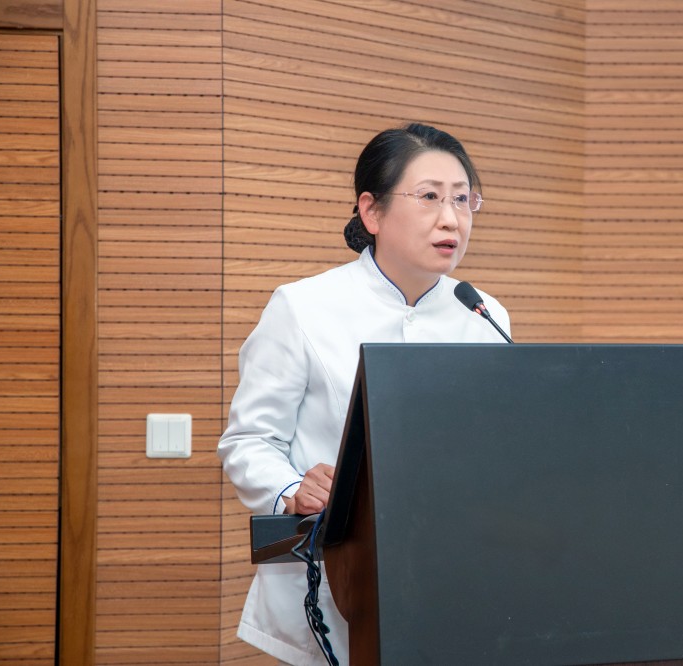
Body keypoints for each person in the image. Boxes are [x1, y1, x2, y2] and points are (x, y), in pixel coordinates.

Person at [218, 122, 511, 666]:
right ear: (372, 212)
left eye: (462, 199)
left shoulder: (483, 313)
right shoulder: (303, 306)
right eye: (430, 197)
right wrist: (291, 489)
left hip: (448, 578)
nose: (452, 218)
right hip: (333, 581)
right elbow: (249, 441)